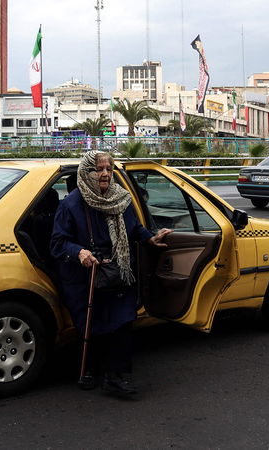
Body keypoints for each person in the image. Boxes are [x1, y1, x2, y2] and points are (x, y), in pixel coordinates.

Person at [50, 151, 171, 397]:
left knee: (123, 322)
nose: (105, 174)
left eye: (108, 168)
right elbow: (57, 243)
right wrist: (79, 252)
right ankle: (92, 369)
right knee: (93, 325)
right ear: (86, 174)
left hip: (118, 271)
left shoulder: (122, 199)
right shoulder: (71, 204)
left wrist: (151, 238)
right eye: (99, 169)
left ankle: (116, 377)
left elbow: (135, 228)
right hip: (87, 275)